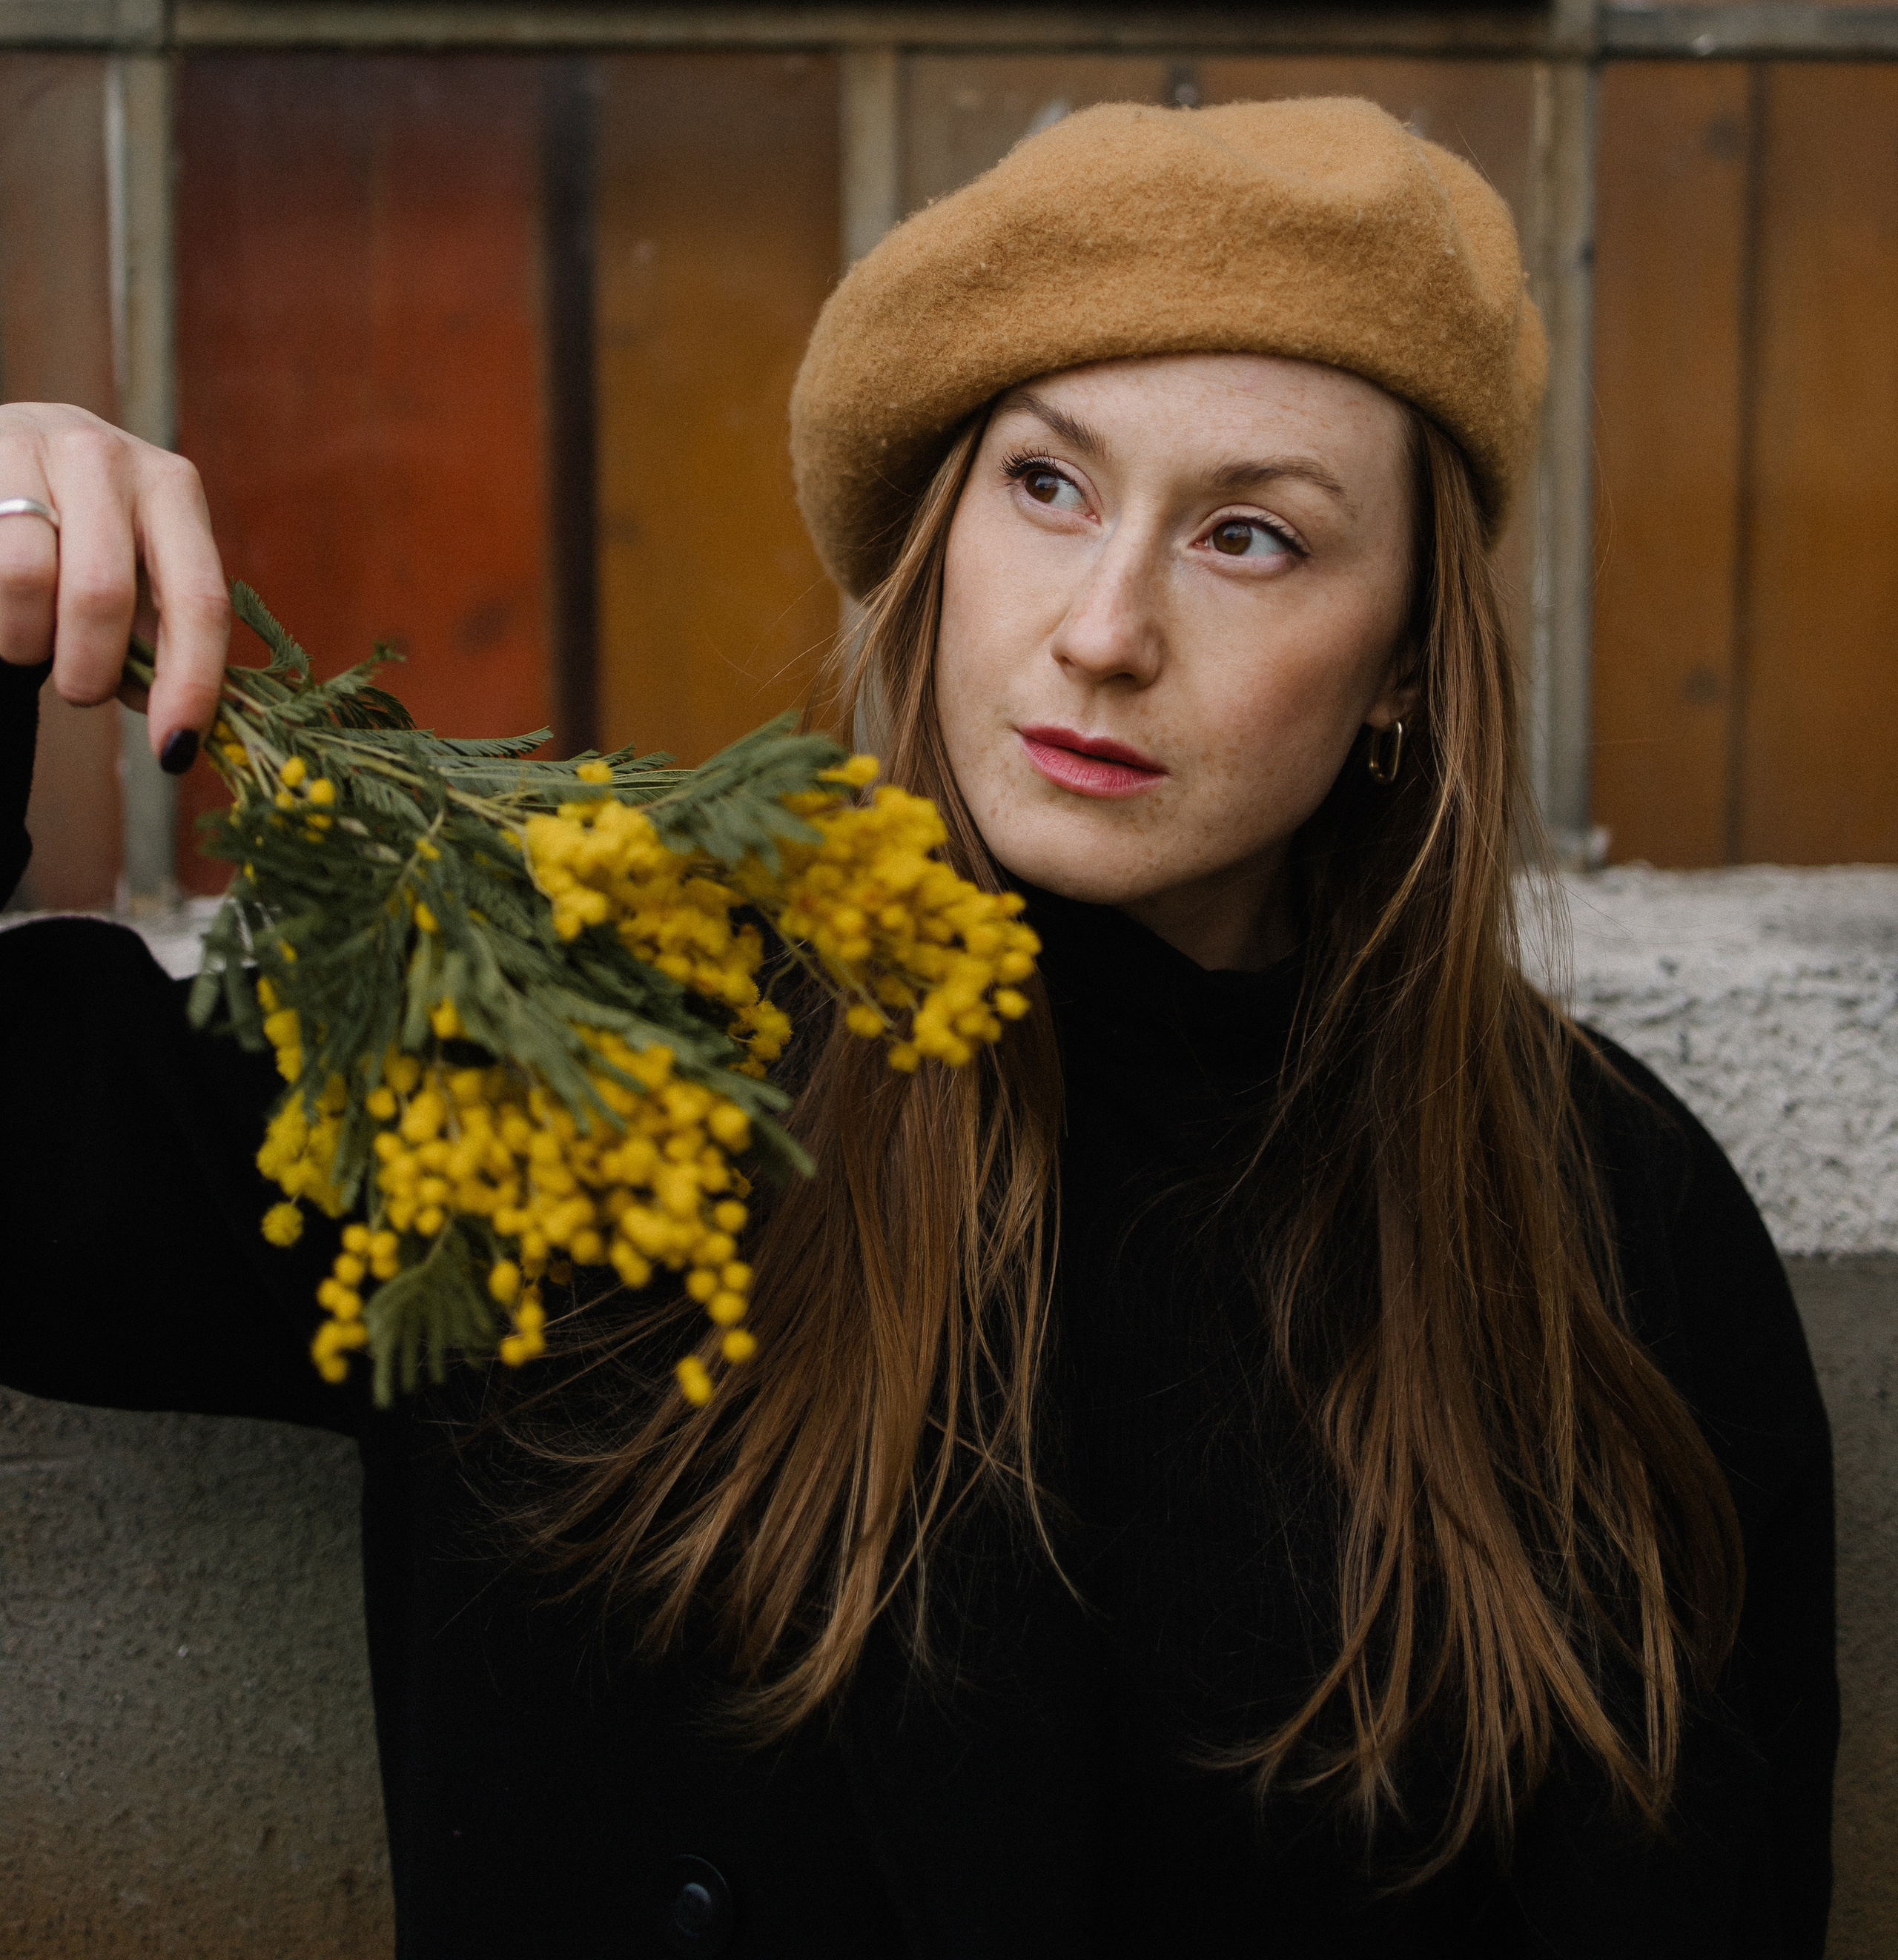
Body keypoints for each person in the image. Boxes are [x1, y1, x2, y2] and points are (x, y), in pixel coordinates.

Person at [0, 97, 1836, 1958]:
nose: (1102, 630)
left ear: (1409, 662)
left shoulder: (1603, 1226)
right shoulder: (583, 1036)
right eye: (1045, 486)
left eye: (1251, 537)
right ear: (933, 534)